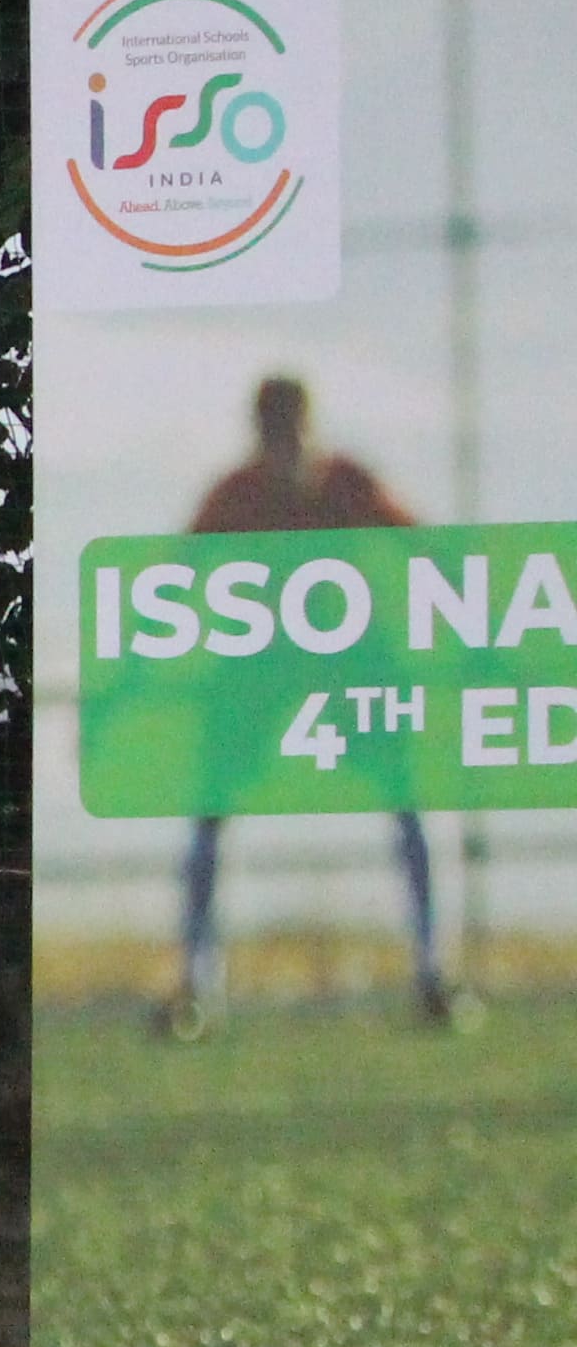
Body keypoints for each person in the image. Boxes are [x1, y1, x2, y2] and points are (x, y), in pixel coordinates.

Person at [172, 376, 448, 1033]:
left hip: (350, 662)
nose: (284, 443)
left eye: (291, 427)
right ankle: (195, 982)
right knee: (210, 815)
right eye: (274, 429)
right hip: (262, 667)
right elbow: (172, 577)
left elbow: (421, 542)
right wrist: (123, 681)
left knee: (405, 805)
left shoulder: (344, 482)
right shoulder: (239, 492)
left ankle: (431, 971)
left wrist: (480, 626)